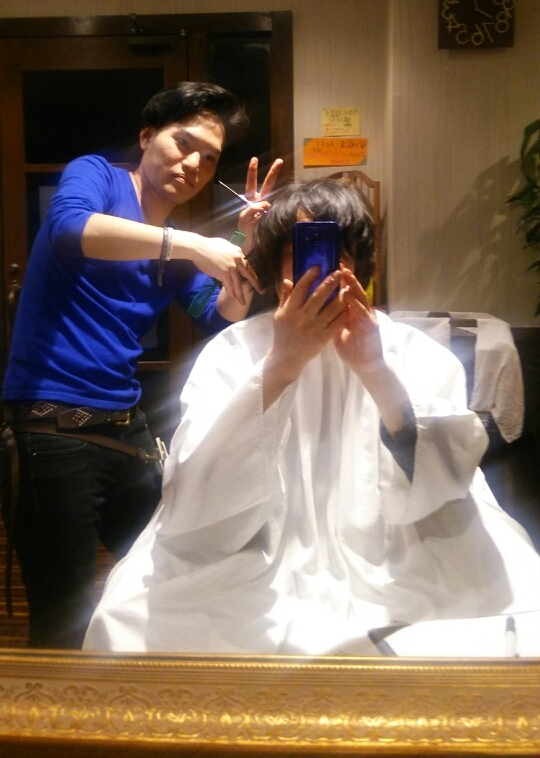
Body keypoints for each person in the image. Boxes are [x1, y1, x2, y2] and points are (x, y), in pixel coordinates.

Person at [84, 178, 540, 656]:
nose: (324, 266)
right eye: (300, 252)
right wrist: (281, 364)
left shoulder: (408, 348)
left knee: (516, 609)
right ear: (274, 264)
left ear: (359, 264)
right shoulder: (234, 349)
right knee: (127, 620)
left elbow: (449, 477)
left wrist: (375, 370)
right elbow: (198, 489)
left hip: (397, 554)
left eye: (341, 251)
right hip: (258, 558)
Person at [0, 80, 282, 649]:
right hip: (51, 428)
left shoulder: (172, 249)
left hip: (127, 431)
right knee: (62, 617)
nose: (194, 163)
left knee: (170, 577)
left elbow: (220, 315)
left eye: (209, 157)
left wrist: (244, 241)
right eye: (184, 143)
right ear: (148, 136)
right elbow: (68, 230)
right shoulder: (98, 176)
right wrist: (191, 244)